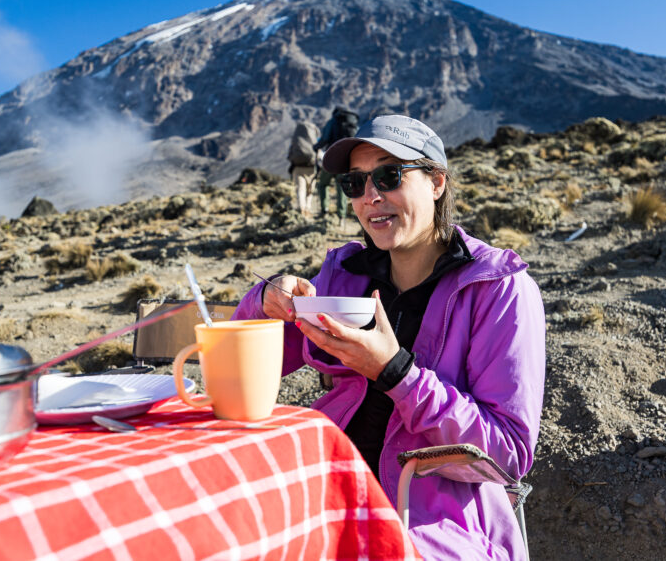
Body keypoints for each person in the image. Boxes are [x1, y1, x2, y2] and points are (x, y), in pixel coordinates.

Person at [233, 114, 546, 560]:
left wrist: (397, 373)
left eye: (389, 175)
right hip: (326, 485)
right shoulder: (345, 276)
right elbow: (245, 362)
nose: (370, 196)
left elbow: (507, 455)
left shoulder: (498, 289)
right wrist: (264, 302)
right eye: (355, 184)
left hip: (434, 523)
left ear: (437, 182)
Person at [314, 107, 360, 219]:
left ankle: (324, 210)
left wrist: (315, 147)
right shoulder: (352, 122)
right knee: (342, 187)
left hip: (332, 159)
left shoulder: (332, 122)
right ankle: (342, 216)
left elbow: (324, 139)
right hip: (346, 161)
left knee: (323, 184)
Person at [287, 120, 319, 217]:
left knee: (300, 189)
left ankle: (302, 208)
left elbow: (290, 153)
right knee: (310, 190)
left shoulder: (296, 139)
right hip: (311, 167)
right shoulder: (314, 137)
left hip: (297, 168)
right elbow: (319, 152)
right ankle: (308, 209)